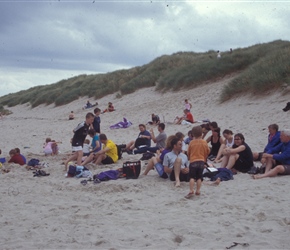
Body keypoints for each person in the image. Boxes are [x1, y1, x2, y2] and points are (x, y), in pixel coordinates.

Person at [185, 125, 210, 198]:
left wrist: (189, 158)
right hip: (201, 161)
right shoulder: (204, 142)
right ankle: (198, 190)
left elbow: (188, 152)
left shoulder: (192, 142)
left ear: (192, 134)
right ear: (202, 133)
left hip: (193, 161)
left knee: (192, 177)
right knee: (199, 177)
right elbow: (207, 151)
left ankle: (191, 189)